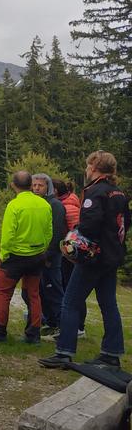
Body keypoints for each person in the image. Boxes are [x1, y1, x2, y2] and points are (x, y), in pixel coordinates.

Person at [40, 151, 130, 369]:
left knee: (70, 302)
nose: (86, 170)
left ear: (94, 167)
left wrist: (76, 233)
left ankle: (64, 352)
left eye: (88, 166)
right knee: (109, 304)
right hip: (112, 255)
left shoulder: (94, 192)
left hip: (93, 257)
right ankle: (111, 353)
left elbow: (89, 224)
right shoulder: (119, 193)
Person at [0, 171, 52, 344]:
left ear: (13, 185)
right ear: (30, 184)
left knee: (3, 293)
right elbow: (49, 232)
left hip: (15, 257)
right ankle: (33, 334)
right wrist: (42, 249)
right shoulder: (44, 204)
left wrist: (4, 255)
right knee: (33, 294)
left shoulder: (14, 205)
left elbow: (8, 234)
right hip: (37, 255)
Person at [22, 174, 67, 337]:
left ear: (47, 187)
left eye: (40, 185)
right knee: (35, 291)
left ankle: (61, 326)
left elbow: (56, 234)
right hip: (36, 255)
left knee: (53, 291)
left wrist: (48, 256)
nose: (36, 188)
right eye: (33, 185)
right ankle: (49, 321)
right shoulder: (36, 203)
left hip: (50, 257)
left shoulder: (55, 205)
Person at [52, 178, 86, 339]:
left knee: (72, 289)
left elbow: (75, 232)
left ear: (55, 191)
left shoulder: (68, 207)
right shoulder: (69, 202)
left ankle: (78, 326)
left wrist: (69, 253)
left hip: (71, 253)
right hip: (68, 252)